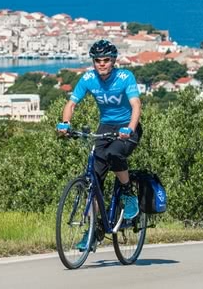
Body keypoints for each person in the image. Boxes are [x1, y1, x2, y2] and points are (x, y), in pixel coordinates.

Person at [56, 39, 142, 248]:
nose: (102, 64)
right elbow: (71, 103)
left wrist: (129, 128)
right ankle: (95, 230)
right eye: (97, 60)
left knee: (114, 155)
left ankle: (128, 193)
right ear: (93, 62)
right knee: (94, 179)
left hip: (127, 126)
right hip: (105, 126)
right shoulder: (88, 78)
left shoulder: (124, 77)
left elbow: (136, 106)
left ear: (113, 61)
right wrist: (65, 124)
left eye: (106, 60)